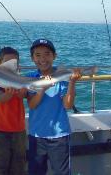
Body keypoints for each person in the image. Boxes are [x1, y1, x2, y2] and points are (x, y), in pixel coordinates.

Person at [26, 39, 82, 175]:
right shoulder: (31, 78)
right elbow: (32, 105)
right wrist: (42, 89)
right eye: (38, 55)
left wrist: (72, 83)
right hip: (36, 135)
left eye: (47, 54)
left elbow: (67, 105)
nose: (42, 59)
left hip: (60, 136)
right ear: (32, 58)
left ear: (54, 56)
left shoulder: (61, 76)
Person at [0, 47, 28, 175]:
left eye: (14, 63)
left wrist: (23, 92)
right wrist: (8, 94)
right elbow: (0, 98)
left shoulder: (21, 80)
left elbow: (25, 95)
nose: (11, 66)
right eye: (7, 63)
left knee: (19, 166)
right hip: (0, 131)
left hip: (19, 130)